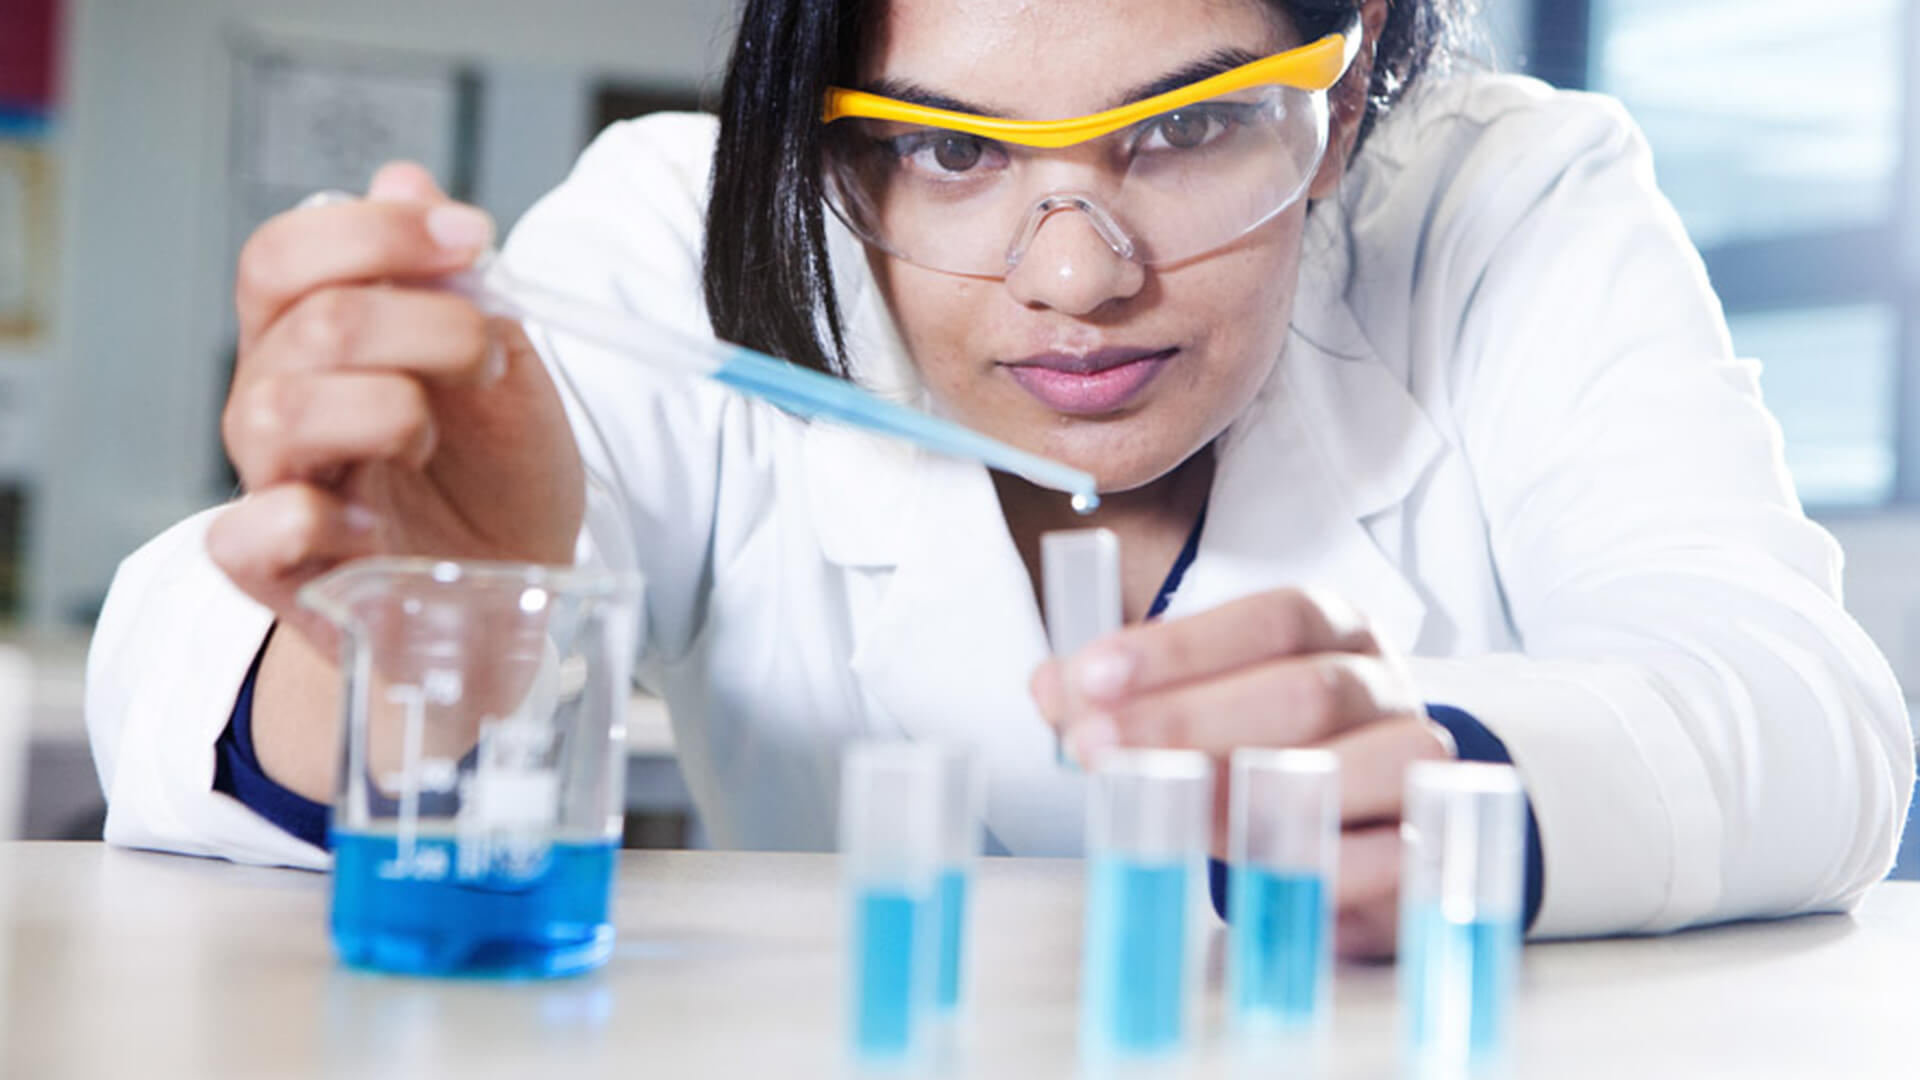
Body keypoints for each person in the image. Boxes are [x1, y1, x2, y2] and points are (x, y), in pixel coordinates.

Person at [86, 0, 1912, 956]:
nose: (1072, 277)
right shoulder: (684, 231)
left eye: (1189, 130)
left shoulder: (1508, 202)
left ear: (1342, 93)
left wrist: (1455, 789)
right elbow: (185, 708)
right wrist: (409, 639)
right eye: (949, 153)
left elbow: (1809, 720)